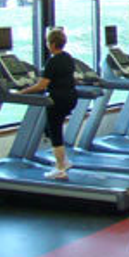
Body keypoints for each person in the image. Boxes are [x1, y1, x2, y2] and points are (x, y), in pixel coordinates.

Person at [18, 27, 77, 180]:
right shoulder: (68, 57)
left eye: (48, 42)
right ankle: (64, 161)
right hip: (71, 97)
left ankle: (60, 168)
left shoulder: (52, 62)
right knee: (52, 128)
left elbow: (42, 85)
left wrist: (22, 92)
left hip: (57, 99)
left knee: (55, 132)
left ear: (52, 44)